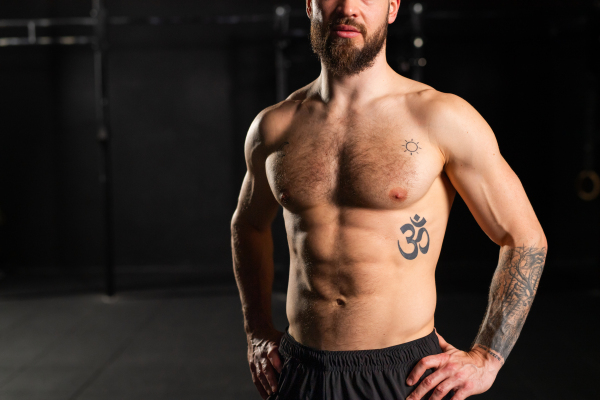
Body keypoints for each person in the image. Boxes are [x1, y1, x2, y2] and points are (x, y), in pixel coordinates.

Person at [230, 0, 547, 399]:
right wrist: (256, 329)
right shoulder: (275, 125)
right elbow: (248, 224)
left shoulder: (440, 117)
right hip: (300, 372)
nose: (348, 8)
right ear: (310, 4)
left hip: (404, 376)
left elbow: (524, 237)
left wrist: (489, 355)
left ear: (392, 8)